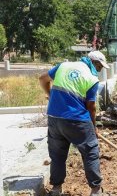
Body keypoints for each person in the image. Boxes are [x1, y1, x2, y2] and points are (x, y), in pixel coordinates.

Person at [39, 51, 110, 196]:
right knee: (90, 152)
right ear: (93, 62)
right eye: (99, 66)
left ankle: (56, 189)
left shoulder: (63, 66)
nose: (99, 70)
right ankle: (96, 191)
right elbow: (91, 107)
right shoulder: (91, 79)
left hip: (54, 118)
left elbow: (42, 79)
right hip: (77, 120)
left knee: (57, 154)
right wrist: (93, 128)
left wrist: (50, 94)